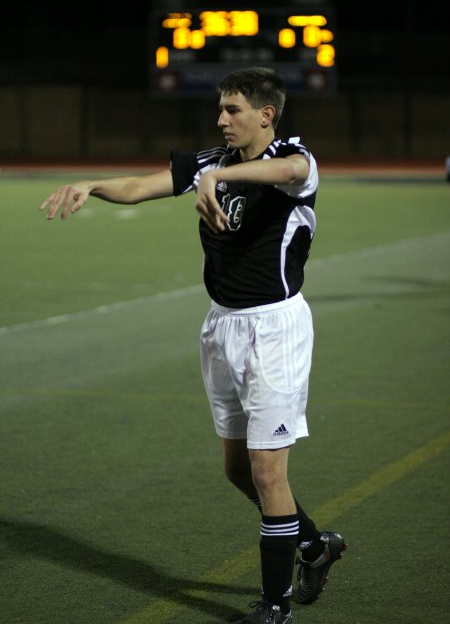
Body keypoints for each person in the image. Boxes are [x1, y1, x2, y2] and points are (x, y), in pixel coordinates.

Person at [40, 67, 346, 623]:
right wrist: (91, 183)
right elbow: (136, 188)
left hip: (273, 328)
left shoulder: (294, 159)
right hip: (221, 326)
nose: (221, 119)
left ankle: (275, 608)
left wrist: (229, 179)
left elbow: (292, 169)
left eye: (233, 110)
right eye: (221, 109)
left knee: (266, 471)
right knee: (235, 470)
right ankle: (312, 547)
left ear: (265, 115)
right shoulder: (210, 162)